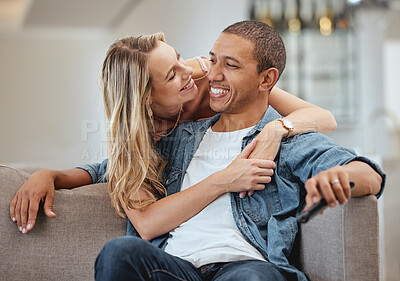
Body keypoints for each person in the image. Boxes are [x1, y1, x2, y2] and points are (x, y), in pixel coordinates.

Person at [94, 20, 385, 281]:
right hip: (175, 266)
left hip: (244, 266)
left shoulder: (285, 140)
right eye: (212, 61)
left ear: (266, 80)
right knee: (118, 252)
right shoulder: (176, 139)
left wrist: (337, 178)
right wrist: (55, 176)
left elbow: (368, 174)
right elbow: (107, 168)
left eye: (230, 66)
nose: (213, 75)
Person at [10, 32, 338, 234]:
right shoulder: (143, 141)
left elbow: (322, 117)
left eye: (179, 57)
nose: (190, 72)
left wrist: (275, 129)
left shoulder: (210, 80)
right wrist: (48, 174)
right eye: (171, 74)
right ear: (146, 101)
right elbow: (109, 172)